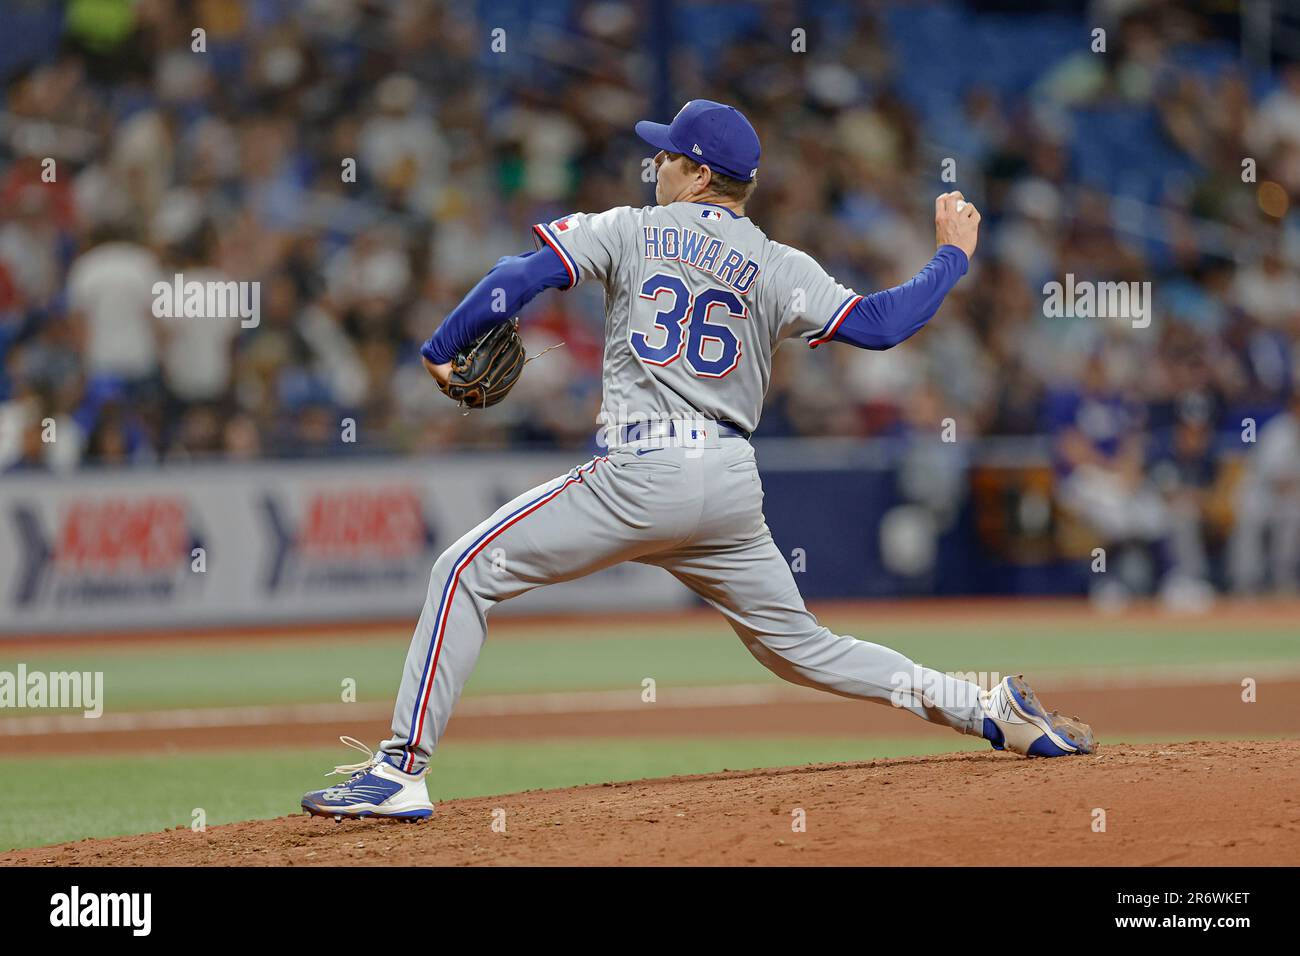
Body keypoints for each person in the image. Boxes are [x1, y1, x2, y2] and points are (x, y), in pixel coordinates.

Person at [302, 100, 1095, 822]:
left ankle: (401, 771)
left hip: (641, 473)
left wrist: (443, 350)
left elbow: (517, 277)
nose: (655, 166)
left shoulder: (630, 228)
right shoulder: (780, 263)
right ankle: (988, 710)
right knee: (806, 648)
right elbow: (882, 326)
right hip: (726, 484)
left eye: (666, 157)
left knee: (463, 571)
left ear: (700, 173)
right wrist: (951, 258)